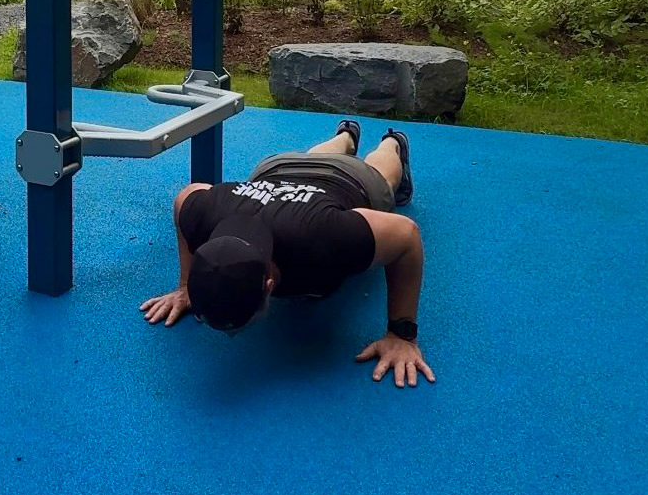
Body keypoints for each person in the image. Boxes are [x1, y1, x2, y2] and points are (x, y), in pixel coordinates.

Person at [140, 119, 435, 388]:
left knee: (381, 175)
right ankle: (345, 136)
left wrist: (401, 333)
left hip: (347, 179)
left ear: (270, 286)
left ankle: (392, 142)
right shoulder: (202, 215)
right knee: (313, 159)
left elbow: (406, 236)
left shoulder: (325, 239)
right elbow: (186, 197)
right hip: (277, 169)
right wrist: (184, 286)